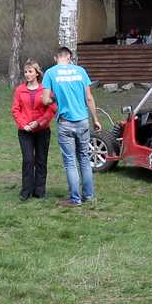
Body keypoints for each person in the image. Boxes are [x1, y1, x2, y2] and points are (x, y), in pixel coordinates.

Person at [40, 47, 98, 208]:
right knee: (84, 159)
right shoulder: (81, 71)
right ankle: (89, 195)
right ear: (70, 57)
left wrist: (55, 100)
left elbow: (45, 100)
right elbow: (89, 97)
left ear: (56, 58)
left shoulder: (50, 73)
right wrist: (95, 119)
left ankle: (75, 199)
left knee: (70, 162)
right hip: (83, 121)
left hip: (65, 123)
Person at [11, 60, 55, 201]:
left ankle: (39, 190)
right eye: (25, 72)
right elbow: (15, 110)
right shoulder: (19, 90)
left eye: (30, 71)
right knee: (28, 160)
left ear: (37, 73)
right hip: (25, 132)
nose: (27, 74)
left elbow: (51, 109)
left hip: (42, 130)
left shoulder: (45, 90)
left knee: (41, 160)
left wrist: (39, 122)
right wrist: (24, 125)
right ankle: (26, 190)